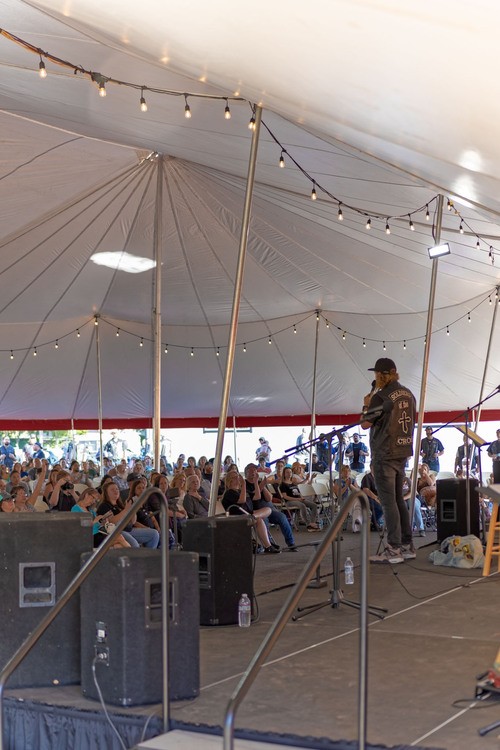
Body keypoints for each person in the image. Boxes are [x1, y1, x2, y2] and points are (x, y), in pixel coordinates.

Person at [361, 357, 416, 564]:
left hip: (385, 453)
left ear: (382, 375)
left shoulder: (380, 397)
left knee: (388, 502)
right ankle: (407, 545)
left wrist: (366, 405)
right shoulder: (408, 394)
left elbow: (365, 423)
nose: (375, 377)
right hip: (402, 451)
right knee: (398, 499)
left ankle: (394, 548)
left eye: (377, 374)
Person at [221, 470, 279, 554]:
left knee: (268, 509)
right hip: (238, 517)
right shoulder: (229, 492)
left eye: (238, 476)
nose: (237, 478)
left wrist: (256, 482)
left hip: (249, 514)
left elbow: (257, 496)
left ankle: (268, 546)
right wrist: (244, 485)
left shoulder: (241, 491)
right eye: (234, 477)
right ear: (230, 480)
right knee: (259, 520)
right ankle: (268, 545)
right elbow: (242, 500)